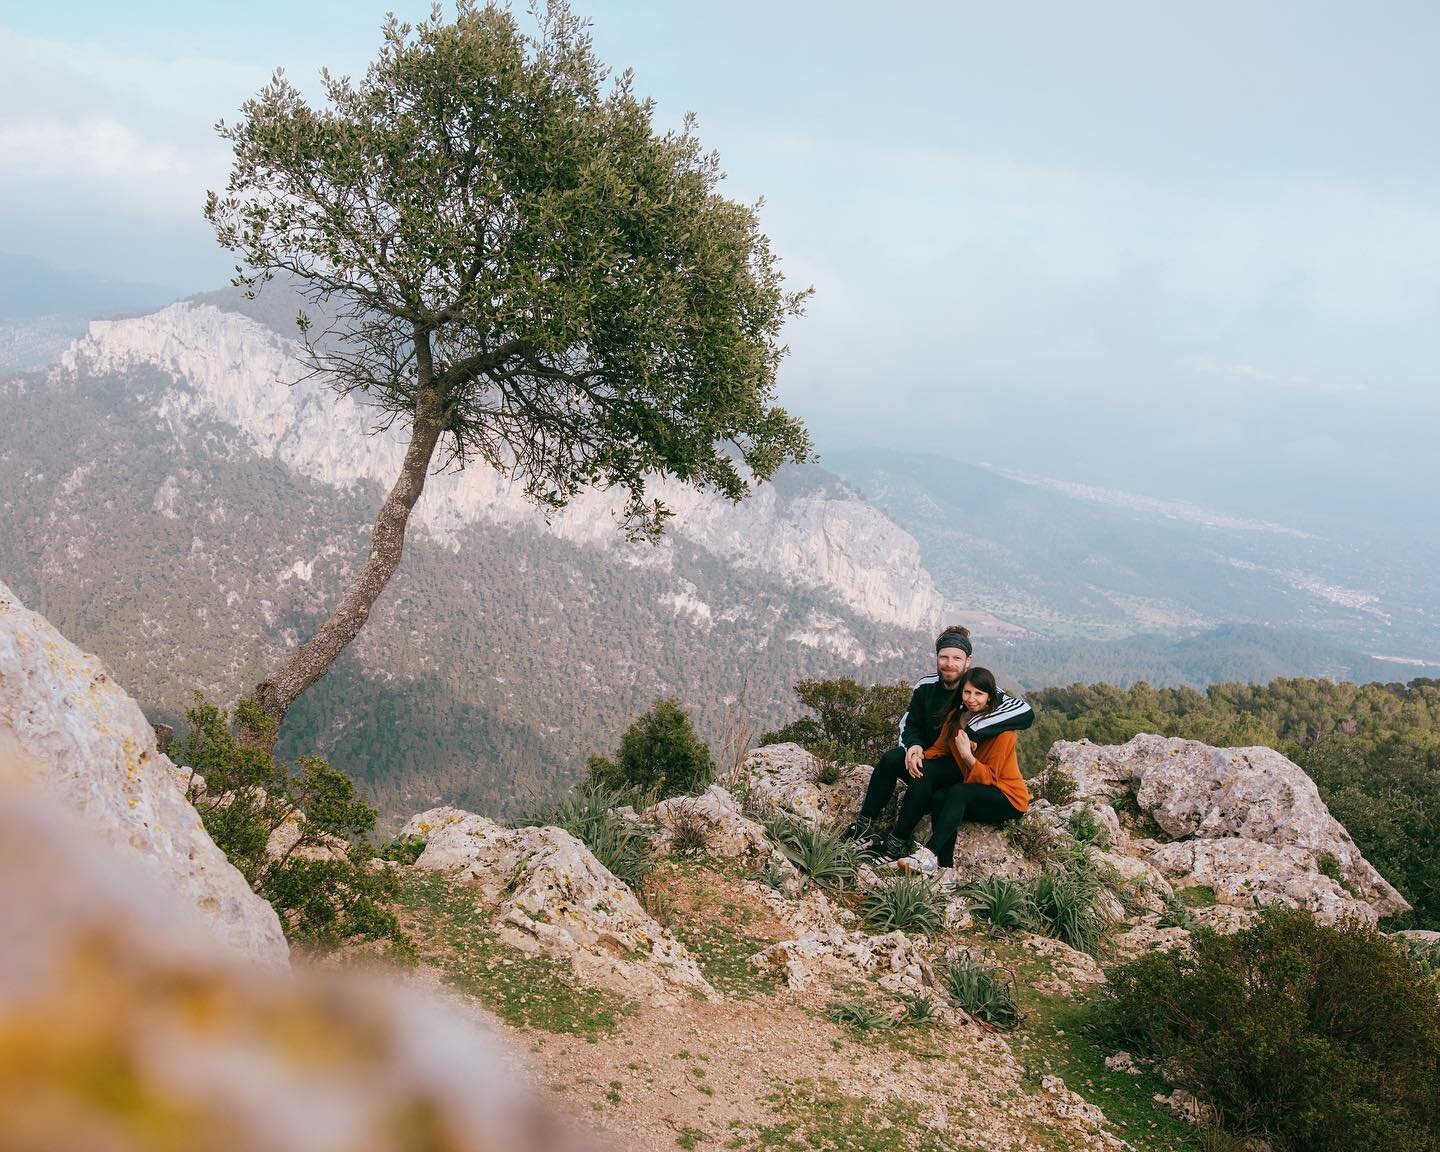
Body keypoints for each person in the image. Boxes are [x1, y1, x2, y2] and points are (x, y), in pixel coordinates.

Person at [843, 626, 1032, 858]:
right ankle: (862, 825)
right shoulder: (925, 687)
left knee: (925, 773)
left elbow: (1023, 711)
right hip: (936, 754)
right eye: (944, 657)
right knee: (893, 758)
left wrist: (974, 733)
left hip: (963, 765)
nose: (949, 663)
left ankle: (895, 842)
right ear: (937, 658)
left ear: (967, 661)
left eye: (956, 658)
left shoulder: (977, 687)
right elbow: (910, 723)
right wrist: (913, 748)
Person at [893, 666, 1029, 877]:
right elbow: (940, 748)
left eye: (979, 693)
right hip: (977, 791)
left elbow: (989, 778)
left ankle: (928, 855)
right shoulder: (957, 718)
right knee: (940, 797)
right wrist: (918, 754)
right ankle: (945, 870)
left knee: (958, 792)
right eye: (967, 692)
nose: (971, 699)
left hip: (1008, 798)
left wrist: (967, 757)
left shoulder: (1003, 733)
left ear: (990, 696)